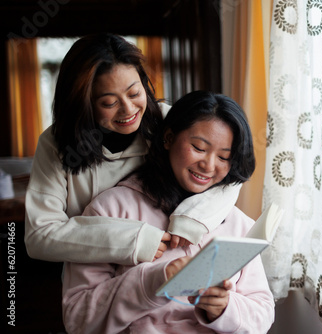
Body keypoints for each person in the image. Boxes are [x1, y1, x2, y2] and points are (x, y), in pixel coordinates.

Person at [62, 91, 275, 333]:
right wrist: (155, 281)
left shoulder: (237, 223)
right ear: (168, 138)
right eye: (198, 147)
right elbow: (77, 319)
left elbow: (263, 312)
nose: (209, 165)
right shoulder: (110, 210)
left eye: (224, 157)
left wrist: (225, 308)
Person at [24, 34, 240, 265]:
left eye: (135, 93)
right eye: (109, 103)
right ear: (82, 103)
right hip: (92, 271)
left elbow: (229, 175)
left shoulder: (167, 122)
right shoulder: (56, 143)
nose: (128, 109)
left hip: (169, 263)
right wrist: (133, 240)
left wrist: (192, 219)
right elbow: (39, 235)